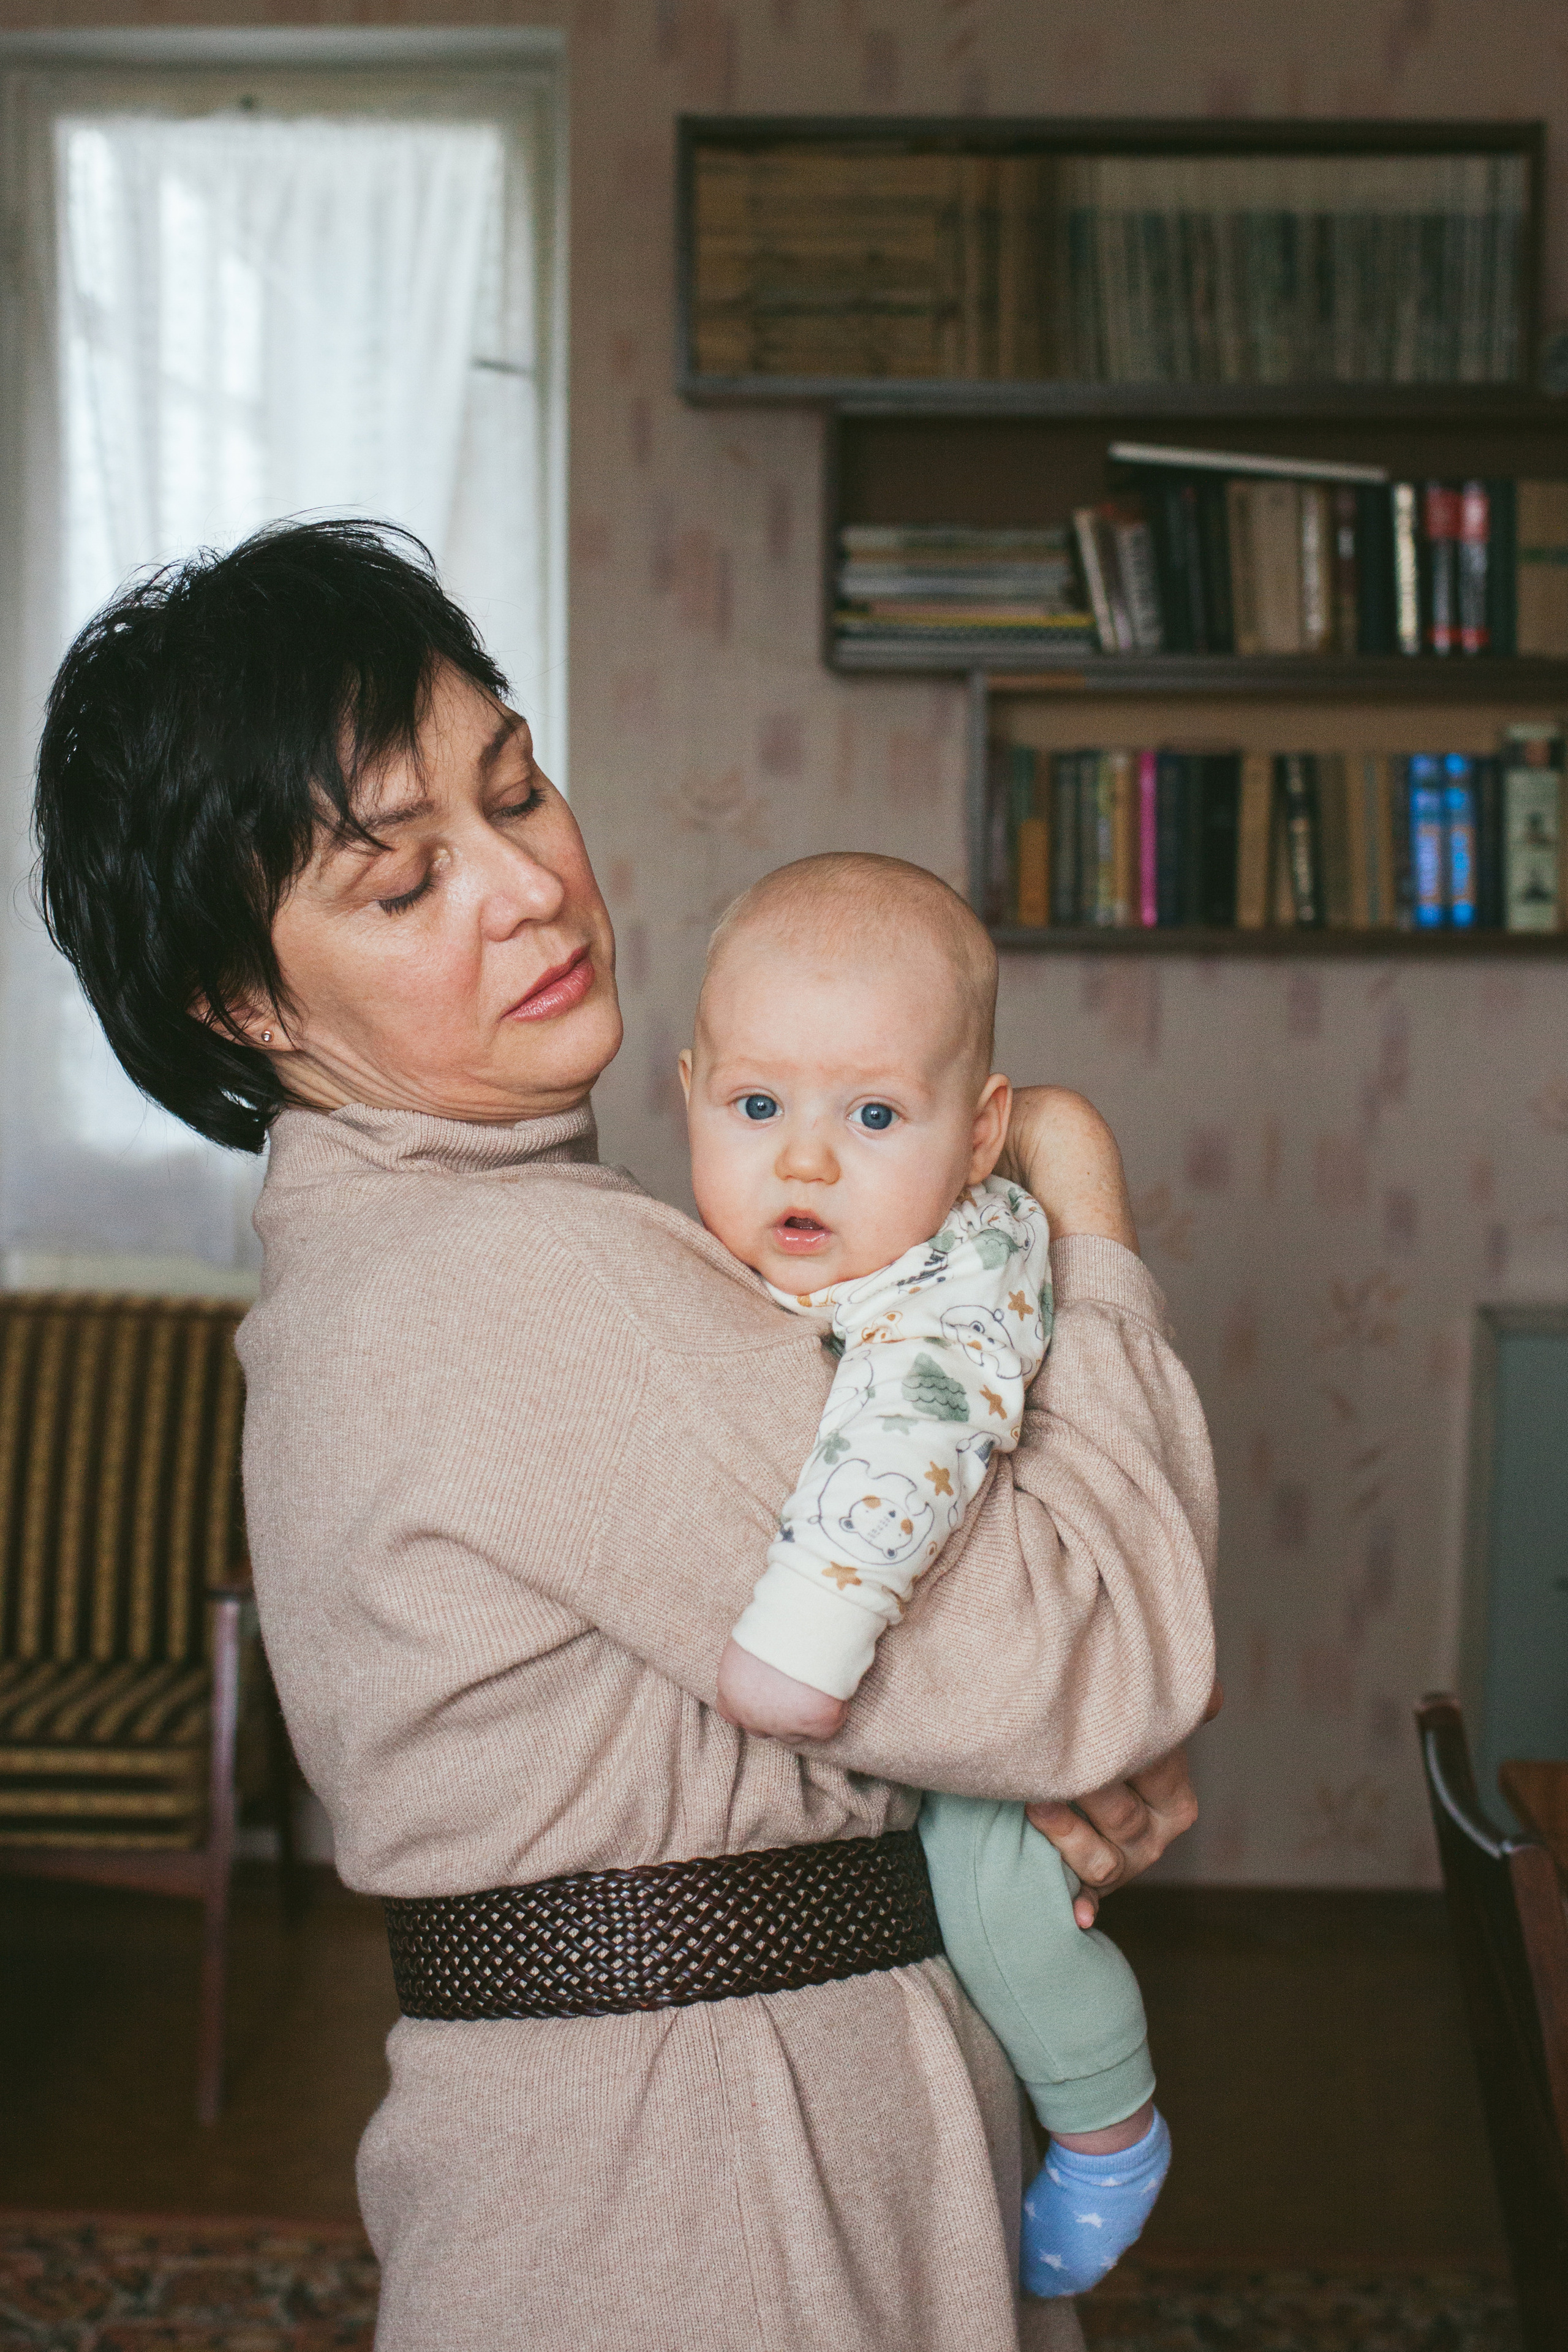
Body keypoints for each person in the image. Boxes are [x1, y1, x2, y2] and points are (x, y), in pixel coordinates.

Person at [32, 518, 1218, 2352]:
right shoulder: (518, 1279)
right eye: (403, 884)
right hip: (714, 2192)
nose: (528, 887)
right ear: (248, 1007)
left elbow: (968, 1702)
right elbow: (1102, 1661)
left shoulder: (394, 1256)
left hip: (679, 2141)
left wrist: (989, 1801)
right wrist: (1084, 1204)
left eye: (516, 787)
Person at [682, 854, 1172, 2301]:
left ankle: (1106, 2120)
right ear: (692, 1086)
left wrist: (805, 1634)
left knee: (995, 1886)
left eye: (875, 1114)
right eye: (755, 1107)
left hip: (987, 1664)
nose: (806, 1160)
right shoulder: (784, 1254)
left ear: (978, 1136)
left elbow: (906, 1446)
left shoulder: (956, 1282)